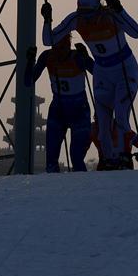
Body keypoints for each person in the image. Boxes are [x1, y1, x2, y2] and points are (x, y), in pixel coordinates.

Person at [41, 0, 138, 170]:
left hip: (125, 70)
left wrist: (119, 9)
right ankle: (108, 159)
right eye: (83, 13)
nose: (86, 19)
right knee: (102, 122)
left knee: (121, 117)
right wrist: (47, 19)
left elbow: (136, 33)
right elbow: (49, 40)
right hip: (102, 72)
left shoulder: (110, 15)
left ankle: (123, 156)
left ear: (97, 8)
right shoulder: (76, 19)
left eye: (89, 14)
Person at [24, 34, 93, 172]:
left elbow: (97, 71)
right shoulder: (47, 56)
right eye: (58, 47)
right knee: (51, 160)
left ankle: (82, 189)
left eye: (65, 47)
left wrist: (86, 57)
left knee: (76, 157)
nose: (61, 52)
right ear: (53, 46)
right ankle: (52, 190)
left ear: (69, 45)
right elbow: (28, 81)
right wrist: (30, 61)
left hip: (79, 111)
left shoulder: (76, 57)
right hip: (58, 111)